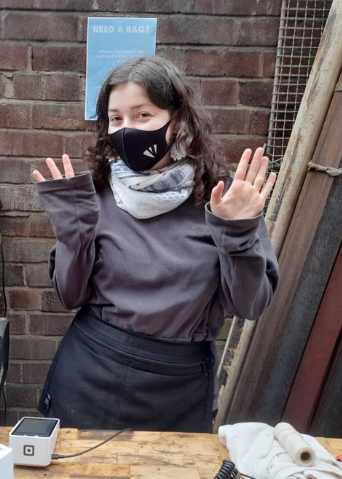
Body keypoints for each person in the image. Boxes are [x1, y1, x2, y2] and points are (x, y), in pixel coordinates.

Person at [32, 56, 279, 433]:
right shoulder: (93, 195)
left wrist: (239, 231)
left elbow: (249, 305)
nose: (127, 129)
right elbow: (68, 295)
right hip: (87, 378)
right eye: (116, 119)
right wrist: (73, 232)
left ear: (178, 121)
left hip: (177, 389)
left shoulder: (224, 200)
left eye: (143, 115)